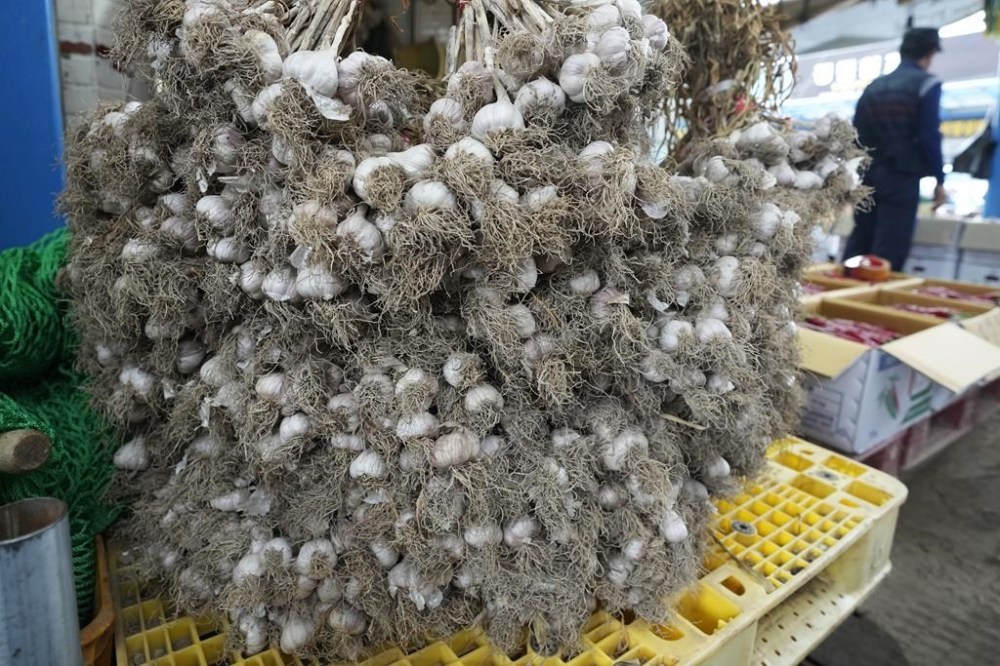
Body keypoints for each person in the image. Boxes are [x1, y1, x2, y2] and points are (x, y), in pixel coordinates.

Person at [843, 27, 947, 271]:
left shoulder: (874, 86)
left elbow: (855, 134)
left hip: (867, 176)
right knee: (889, 246)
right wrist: (939, 179)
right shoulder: (926, 84)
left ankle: (843, 289)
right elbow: (929, 135)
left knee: (861, 239)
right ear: (930, 53)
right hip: (901, 176)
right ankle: (877, 290)